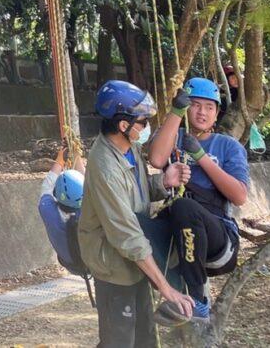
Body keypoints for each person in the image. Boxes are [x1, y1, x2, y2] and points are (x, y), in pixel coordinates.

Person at [79, 80, 194, 345]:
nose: (145, 128)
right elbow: (126, 233)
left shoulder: (129, 148)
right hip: (114, 266)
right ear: (123, 125)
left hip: (135, 260)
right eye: (142, 122)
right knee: (119, 340)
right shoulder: (105, 167)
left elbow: (135, 195)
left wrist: (163, 182)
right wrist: (166, 287)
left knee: (144, 337)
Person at [148, 78, 250, 321]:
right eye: (195, 105)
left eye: (209, 107)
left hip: (217, 235)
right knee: (136, 225)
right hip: (179, 230)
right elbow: (156, 160)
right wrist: (175, 113)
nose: (202, 112)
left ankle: (199, 301)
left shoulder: (227, 146)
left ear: (217, 113)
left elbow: (239, 196)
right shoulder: (175, 135)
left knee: (185, 206)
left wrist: (200, 155)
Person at [38, 147, 87, 276]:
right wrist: (77, 156)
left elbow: (47, 185)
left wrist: (60, 160)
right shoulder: (89, 211)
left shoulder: (48, 211)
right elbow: (88, 183)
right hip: (94, 264)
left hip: (70, 264)